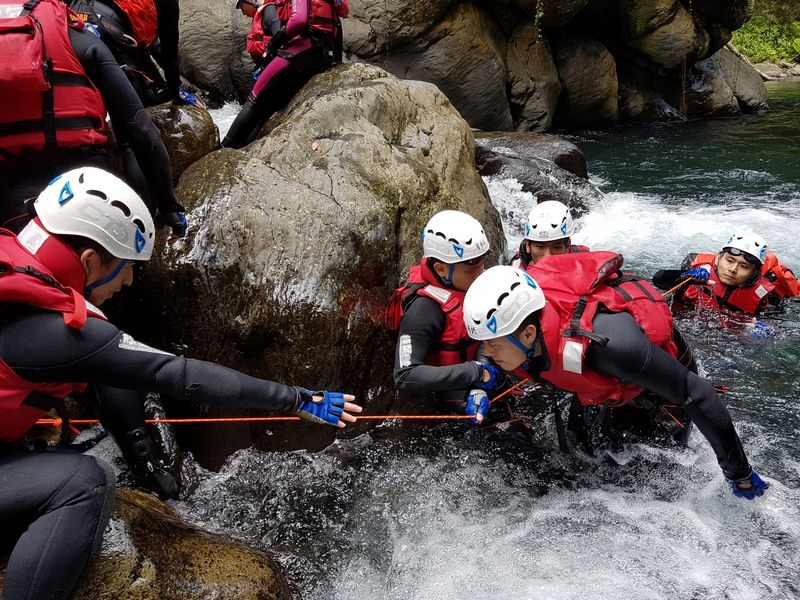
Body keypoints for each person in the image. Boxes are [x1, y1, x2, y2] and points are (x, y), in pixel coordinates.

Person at [0, 167, 362, 600]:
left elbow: (112, 366)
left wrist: (145, 467)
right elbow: (181, 375)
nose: (130, 281)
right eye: (126, 267)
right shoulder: (58, 330)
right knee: (82, 480)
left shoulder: (15, 261)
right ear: (90, 261)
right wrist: (296, 398)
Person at [462, 255, 769, 499]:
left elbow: (698, 394)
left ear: (529, 334)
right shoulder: (521, 327)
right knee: (581, 458)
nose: (487, 351)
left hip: (653, 386)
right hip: (595, 378)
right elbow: (495, 342)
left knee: (652, 483)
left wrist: (738, 472)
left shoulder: (614, 349)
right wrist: (481, 382)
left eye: (492, 346)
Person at [0, 0, 184, 240]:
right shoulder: (69, 30)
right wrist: (168, 205)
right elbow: (142, 131)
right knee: (127, 142)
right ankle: (136, 257)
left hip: (7, 186)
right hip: (78, 176)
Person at [388, 210, 500, 424]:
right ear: (440, 269)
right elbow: (404, 376)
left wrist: (483, 371)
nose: (481, 274)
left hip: (484, 383)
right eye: (471, 271)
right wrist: (474, 373)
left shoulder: (476, 283)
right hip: (447, 407)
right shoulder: (424, 309)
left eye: (482, 266)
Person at [222, 0, 349, 149]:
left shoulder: (269, 11)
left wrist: (274, 44)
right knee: (273, 102)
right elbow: (340, 18)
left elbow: (299, 19)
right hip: (322, 53)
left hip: (303, 48)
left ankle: (224, 147)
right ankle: (245, 144)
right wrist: (337, 60)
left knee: (255, 96)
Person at [65, 0, 200, 107]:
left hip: (73, 27)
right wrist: (176, 92)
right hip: (109, 35)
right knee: (143, 107)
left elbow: (152, 46)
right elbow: (169, 52)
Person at [652, 232, 798, 316]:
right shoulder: (695, 266)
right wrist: (685, 276)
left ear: (754, 272)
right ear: (719, 257)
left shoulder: (767, 295)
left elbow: (780, 323)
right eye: (729, 260)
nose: (733, 269)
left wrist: (768, 330)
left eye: (744, 266)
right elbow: (658, 280)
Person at [510, 200, 589, 269]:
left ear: (568, 246)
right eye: (540, 247)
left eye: (556, 247)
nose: (547, 256)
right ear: (527, 245)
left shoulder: (584, 259)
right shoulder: (516, 270)